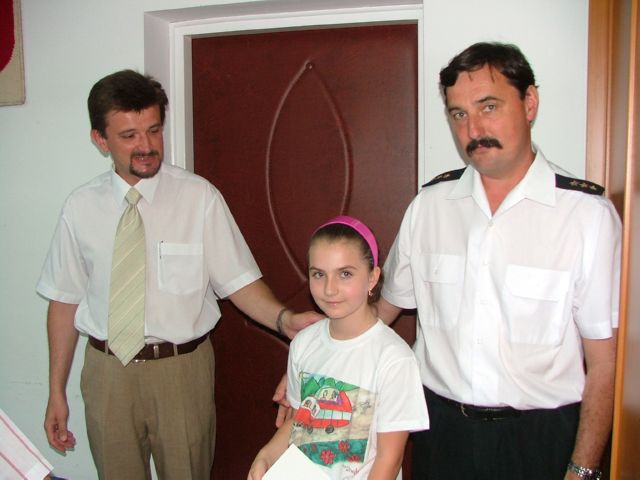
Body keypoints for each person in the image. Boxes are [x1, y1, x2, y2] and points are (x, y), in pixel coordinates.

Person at [36, 69, 320, 480]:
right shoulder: (80, 208)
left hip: (180, 373)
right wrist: (55, 391)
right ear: (100, 139)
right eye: (129, 135)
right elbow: (63, 302)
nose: (146, 146)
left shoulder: (198, 197)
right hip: (107, 373)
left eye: (153, 130)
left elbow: (238, 282)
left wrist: (284, 319)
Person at [376, 42, 621, 480]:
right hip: (441, 435)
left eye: (488, 106)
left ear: (530, 103)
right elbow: (380, 316)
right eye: (458, 114)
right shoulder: (428, 207)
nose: (473, 129)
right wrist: (321, 361)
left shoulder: (586, 216)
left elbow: (604, 362)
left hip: (541, 440)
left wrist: (583, 469)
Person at [250, 216, 429, 480]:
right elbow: (298, 421)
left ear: (372, 278)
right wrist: (266, 455)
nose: (329, 289)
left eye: (345, 274)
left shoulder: (394, 358)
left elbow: (389, 460)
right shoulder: (303, 343)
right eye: (318, 274)